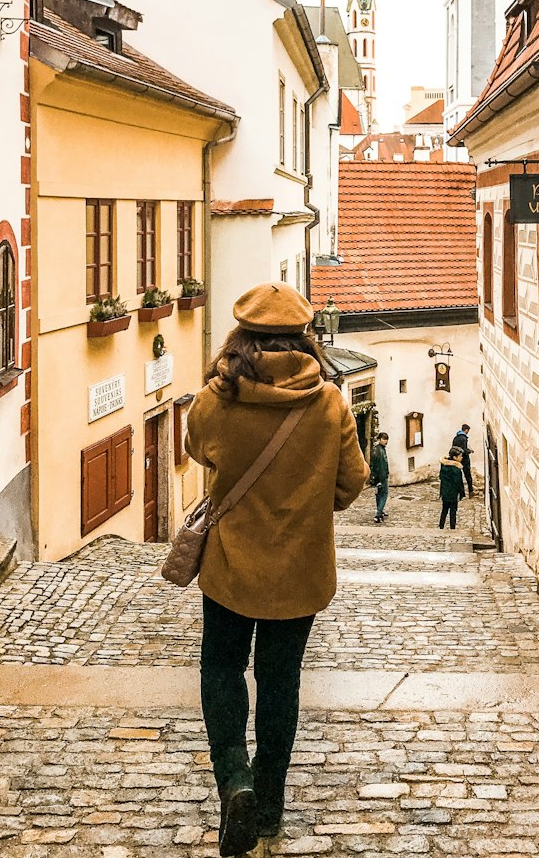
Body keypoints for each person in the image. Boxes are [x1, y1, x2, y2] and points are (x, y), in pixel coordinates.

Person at [186, 282, 367, 856]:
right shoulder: (330, 402)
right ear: (303, 336)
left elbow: (197, 448)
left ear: (243, 334)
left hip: (231, 569)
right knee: (279, 683)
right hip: (299, 574)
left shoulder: (218, 399)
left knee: (220, 670)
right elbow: (352, 483)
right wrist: (310, 500)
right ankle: (268, 809)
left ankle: (234, 778)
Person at [439, 446, 466, 530]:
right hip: (453, 493)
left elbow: (441, 477)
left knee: (444, 509)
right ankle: (452, 528)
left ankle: (441, 525)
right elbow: (458, 483)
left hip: (444, 491)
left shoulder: (444, 466)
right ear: (455, 457)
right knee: (453, 511)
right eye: (460, 456)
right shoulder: (456, 469)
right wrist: (462, 493)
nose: (461, 458)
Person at [369, 431, 390, 523]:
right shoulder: (379, 451)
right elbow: (378, 466)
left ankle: (380, 510)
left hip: (379, 476)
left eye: (386, 439)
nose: (386, 441)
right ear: (379, 439)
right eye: (384, 439)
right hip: (381, 477)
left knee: (379, 494)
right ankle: (378, 513)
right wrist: (379, 479)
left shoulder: (378, 449)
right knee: (384, 494)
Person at [452, 423, 474, 497]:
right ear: (466, 430)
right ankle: (470, 491)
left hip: (455, 458)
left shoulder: (456, 437)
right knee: (467, 475)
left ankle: (461, 493)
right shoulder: (464, 438)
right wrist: (470, 451)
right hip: (464, 459)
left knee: (458, 475)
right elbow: (464, 450)